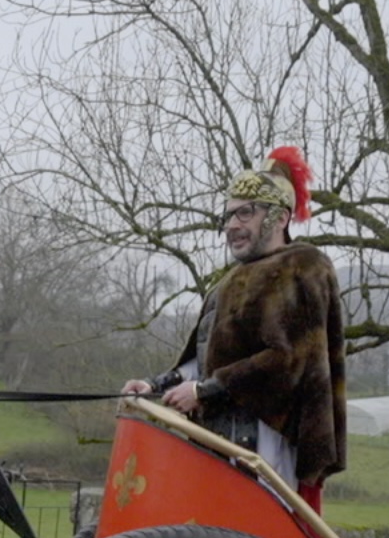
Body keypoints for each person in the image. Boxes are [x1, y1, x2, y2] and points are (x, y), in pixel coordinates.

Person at [123, 147, 347, 510]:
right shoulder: (227, 282)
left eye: (245, 213)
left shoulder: (305, 266)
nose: (231, 225)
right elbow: (206, 358)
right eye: (227, 215)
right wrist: (154, 385)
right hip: (216, 439)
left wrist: (205, 391)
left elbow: (288, 359)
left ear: (279, 217)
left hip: (265, 444)